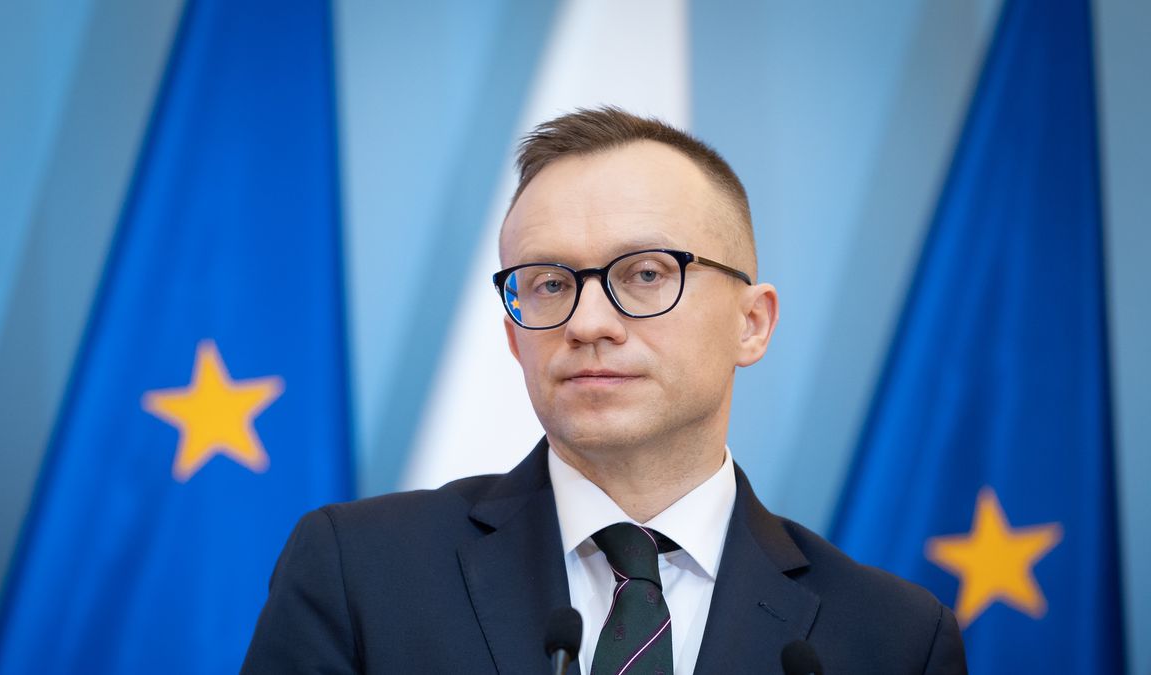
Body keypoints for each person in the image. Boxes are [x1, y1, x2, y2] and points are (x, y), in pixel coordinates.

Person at [242, 107, 967, 674]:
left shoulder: (892, 635)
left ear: (752, 323)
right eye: (550, 283)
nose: (589, 322)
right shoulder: (360, 571)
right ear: (512, 336)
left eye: (645, 274)